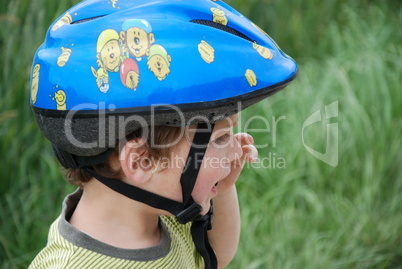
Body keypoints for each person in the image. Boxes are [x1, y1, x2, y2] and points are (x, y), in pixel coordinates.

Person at [28, 0, 298, 268]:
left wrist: (221, 189)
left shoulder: (164, 208)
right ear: (141, 160)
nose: (235, 151)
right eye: (221, 138)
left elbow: (214, 256)